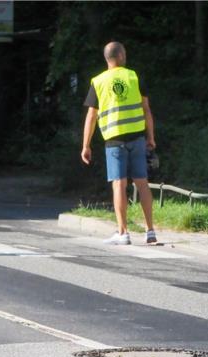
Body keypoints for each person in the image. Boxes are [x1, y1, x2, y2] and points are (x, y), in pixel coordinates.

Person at [81, 41, 158, 246]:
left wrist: (86, 146)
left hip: (114, 141)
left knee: (119, 184)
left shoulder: (98, 81)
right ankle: (150, 232)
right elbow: (146, 110)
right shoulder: (133, 76)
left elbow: (91, 116)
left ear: (107, 59)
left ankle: (123, 233)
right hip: (137, 137)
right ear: (122, 56)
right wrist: (151, 137)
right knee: (142, 183)